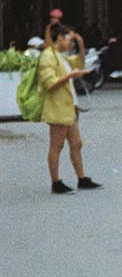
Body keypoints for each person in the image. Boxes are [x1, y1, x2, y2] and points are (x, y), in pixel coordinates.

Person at [37, 23, 102, 194]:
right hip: (57, 107)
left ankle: (82, 178)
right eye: (69, 40)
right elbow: (49, 83)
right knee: (56, 145)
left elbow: (78, 62)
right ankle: (56, 182)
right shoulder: (48, 56)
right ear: (59, 38)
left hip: (69, 107)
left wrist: (80, 44)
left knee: (76, 143)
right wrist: (70, 76)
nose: (71, 44)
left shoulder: (61, 56)